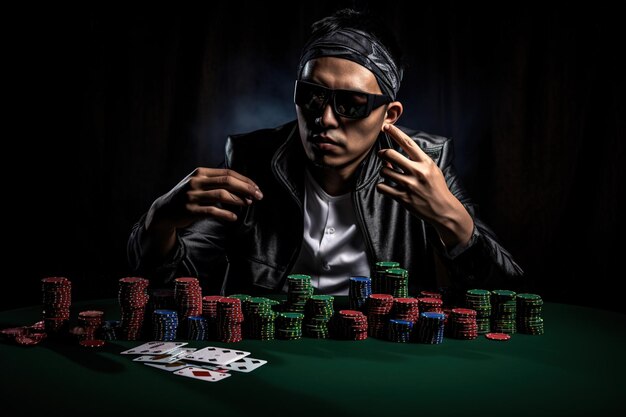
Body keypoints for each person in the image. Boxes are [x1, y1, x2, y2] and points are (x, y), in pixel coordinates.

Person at [127, 8, 523, 299]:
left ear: (390, 115)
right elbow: (170, 284)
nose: (326, 119)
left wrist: (451, 219)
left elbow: (507, 293)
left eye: (351, 103)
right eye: (312, 97)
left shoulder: (424, 164)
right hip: (271, 356)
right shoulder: (253, 159)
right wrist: (158, 221)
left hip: (382, 359)